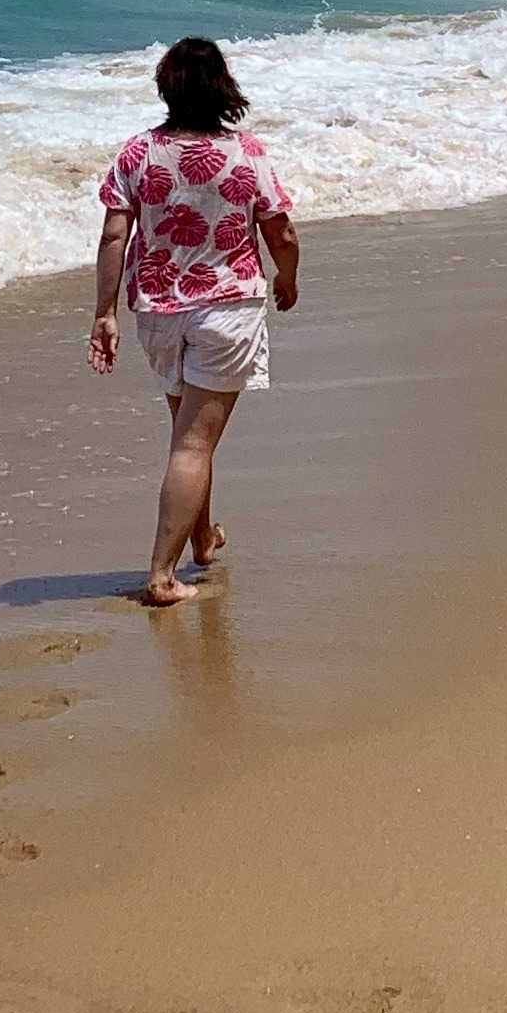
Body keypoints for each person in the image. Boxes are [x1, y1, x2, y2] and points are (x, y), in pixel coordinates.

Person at [89, 36, 299, 610]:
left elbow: (114, 235)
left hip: (159, 313)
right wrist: (288, 277)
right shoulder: (246, 153)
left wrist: (104, 312)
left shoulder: (138, 152)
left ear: (167, 88)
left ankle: (202, 540)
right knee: (193, 444)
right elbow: (280, 231)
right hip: (226, 312)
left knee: (188, 435)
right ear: (222, 88)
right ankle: (162, 575)